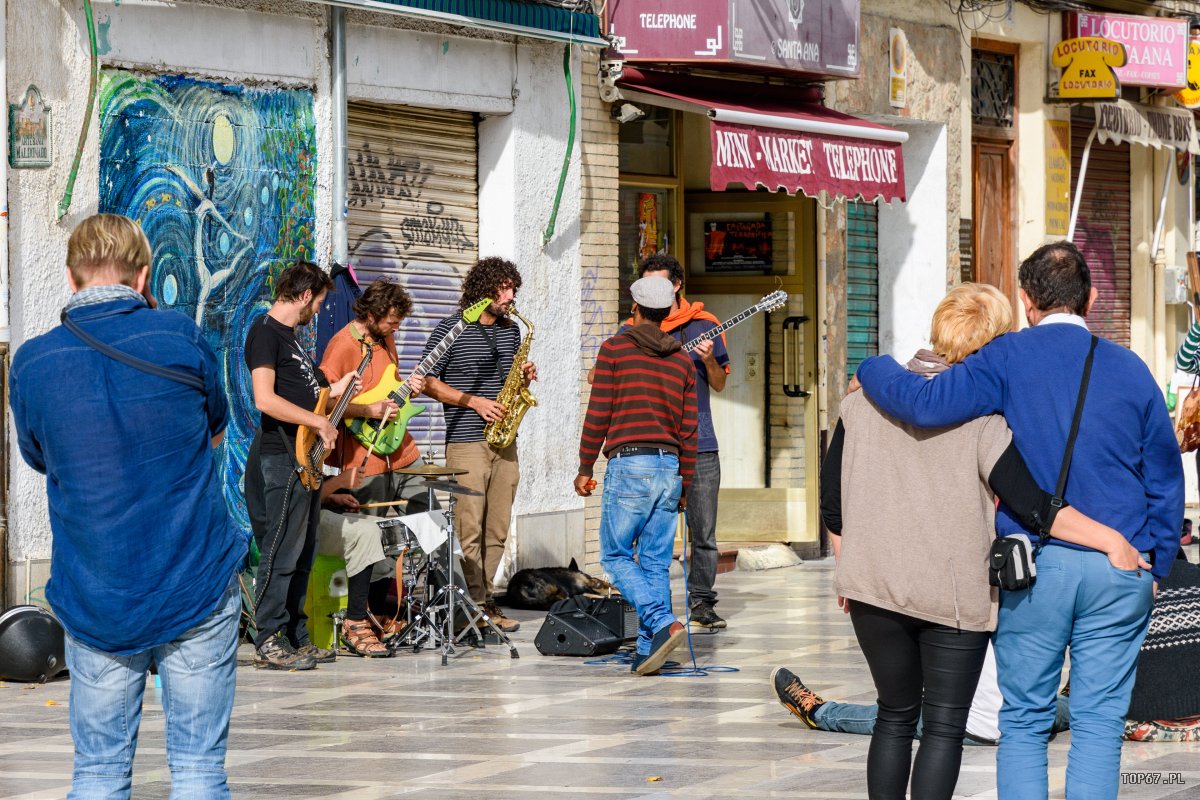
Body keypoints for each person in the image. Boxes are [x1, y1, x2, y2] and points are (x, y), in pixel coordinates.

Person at [854, 243, 1183, 800]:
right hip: (1120, 563)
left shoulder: (1006, 358)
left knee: (1026, 722)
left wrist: (871, 365)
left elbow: (925, 406)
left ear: (1027, 301)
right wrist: (1157, 562)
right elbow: (1165, 476)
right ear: (1093, 299)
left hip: (1034, 567)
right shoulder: (1131, 369)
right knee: (1100, 727)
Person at [9, 213, 247, 797]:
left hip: (98, 592)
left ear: (70, 277)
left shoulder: (33, 363)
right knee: (197, 769)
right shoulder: (179, 337)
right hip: (195, 577)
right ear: (143, 276)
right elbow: (216, 431)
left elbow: (41, 458)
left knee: (98, 772)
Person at [774, 555, 1200, 744]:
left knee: (892, 716)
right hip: (1030, 714)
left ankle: (821, 712)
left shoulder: (968, 593)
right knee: (1061, 706)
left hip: (981, 725)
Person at [575, 275, 698, 676]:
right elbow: (690, 428)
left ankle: (662, 623)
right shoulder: (682, 359)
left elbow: (599, 414)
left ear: (635, 308)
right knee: (655, 563)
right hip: (669, 468)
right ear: (668, 313)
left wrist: (584, 466)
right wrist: (686, 482)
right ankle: (649, 651)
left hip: (631, 464)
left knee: (613, 555)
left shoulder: (615, 351)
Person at [244, 261, 358, 670]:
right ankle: (269, 638)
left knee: (303, 552)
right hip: (279, 457)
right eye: (320, 302)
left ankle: (296, 635)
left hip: (305, 461)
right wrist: (318, 421)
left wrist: (338, 391)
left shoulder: (293, 342)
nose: (319, 311)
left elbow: (312, 398)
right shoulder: (264, 334)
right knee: (280, 551)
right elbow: (265, 399)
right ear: (306, 295)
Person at [419, 257, 537, 634]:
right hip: (467, 440)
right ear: (484, 289)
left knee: (497, 529)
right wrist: (472, 401)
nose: (511, 296)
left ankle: (485, 601)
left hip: (505, 440)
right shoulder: (451, 328)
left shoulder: (510, 332)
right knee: (469, 529)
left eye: (513, 289)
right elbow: (426, 380)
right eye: (504, 289)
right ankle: (467, 607)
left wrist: (525, 380)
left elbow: (511, 386)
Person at [319, 279, 429, 656]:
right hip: (363, 457)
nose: (397, 329)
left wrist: (406, 389)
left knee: (430, 520)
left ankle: (417, 607)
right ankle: (375, 615)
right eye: (393, 322)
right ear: (372, 314)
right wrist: (369, 411)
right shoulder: (341, 347)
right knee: (376, 539)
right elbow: (325, 405)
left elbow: (387, 386)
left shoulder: (385, 340)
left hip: (403, 449)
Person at [627, 255, 730, 630]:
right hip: (652, 444)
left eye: (659, 283)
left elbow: (719, 384)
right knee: (648, 531)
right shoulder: (632, 328)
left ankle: (702, 603)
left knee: (703, 532)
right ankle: (652, 606)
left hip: (700, 443)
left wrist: (709, 362)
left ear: (676, 286)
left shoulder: (706, 325)